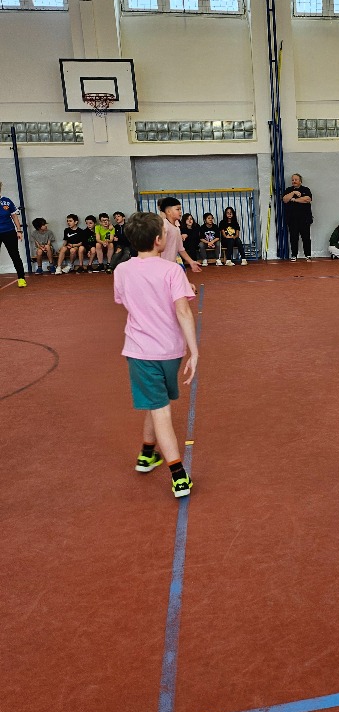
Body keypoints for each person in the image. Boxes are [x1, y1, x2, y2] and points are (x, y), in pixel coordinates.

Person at [113, 211, 197, 499]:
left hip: (140, 350)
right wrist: (195, 350)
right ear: (160, 240)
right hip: (170, 351)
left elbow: (126, 300)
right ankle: (178, 475)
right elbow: (183, 311)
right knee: (160, 406)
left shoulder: (121, 271)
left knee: (156, 401)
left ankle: (148, 454)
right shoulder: (172, 270)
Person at [157, 197, 202, 274]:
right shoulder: (164, 226)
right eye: (177, 209)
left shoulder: (177, 228)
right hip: (162, 266)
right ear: (168, 211)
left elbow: (180, 248)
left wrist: (191, 261)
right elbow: (158, 247)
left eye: (180, 209)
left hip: (171, 265)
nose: (180, 212)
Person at [0, 186, 27, 287]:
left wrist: (19, 230)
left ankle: (21, 278)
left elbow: (14, 216)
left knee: (15, 255)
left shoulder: (6, 201)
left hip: (9, 232)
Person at [282, 173, 313, 262]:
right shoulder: (288, 190)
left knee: (306, 237)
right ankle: (294, 255)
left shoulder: (306, 189)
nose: (294, 181)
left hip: (305, 219)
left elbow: (307, 199)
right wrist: (293, 193)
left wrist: (294, 199)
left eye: (296, 180)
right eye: (293, 180)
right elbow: (285, 199)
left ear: (300, 181)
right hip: (292, 219)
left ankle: (308, 255)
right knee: (293, 237)